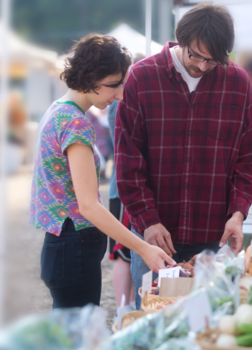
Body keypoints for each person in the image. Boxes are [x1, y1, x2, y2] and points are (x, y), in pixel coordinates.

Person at [115, 2, 252, 309]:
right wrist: (147, 221)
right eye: (196, 55)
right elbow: (128, 163)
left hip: (212, 234)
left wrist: (238, 213)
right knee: (154, 322)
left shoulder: (237, 82)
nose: (203, 66)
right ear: (181, 39)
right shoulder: (142, 78)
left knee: (208, 323)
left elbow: (248, 160)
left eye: (214, 60)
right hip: (153, 234)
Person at [30, 34, 175, 309]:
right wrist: (142, 247)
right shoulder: (75, 123)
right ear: (89, 78)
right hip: (73, 246)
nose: (120, 94)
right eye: (113, 85)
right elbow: (89, 206)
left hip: (62, 245)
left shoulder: (57, 111)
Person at [107, 52, 146, 312]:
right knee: (122, 252)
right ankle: (124, 309)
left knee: (131, 251)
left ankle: (129, 306)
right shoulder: (117, 102)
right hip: (121, 190)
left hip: (125, 188)